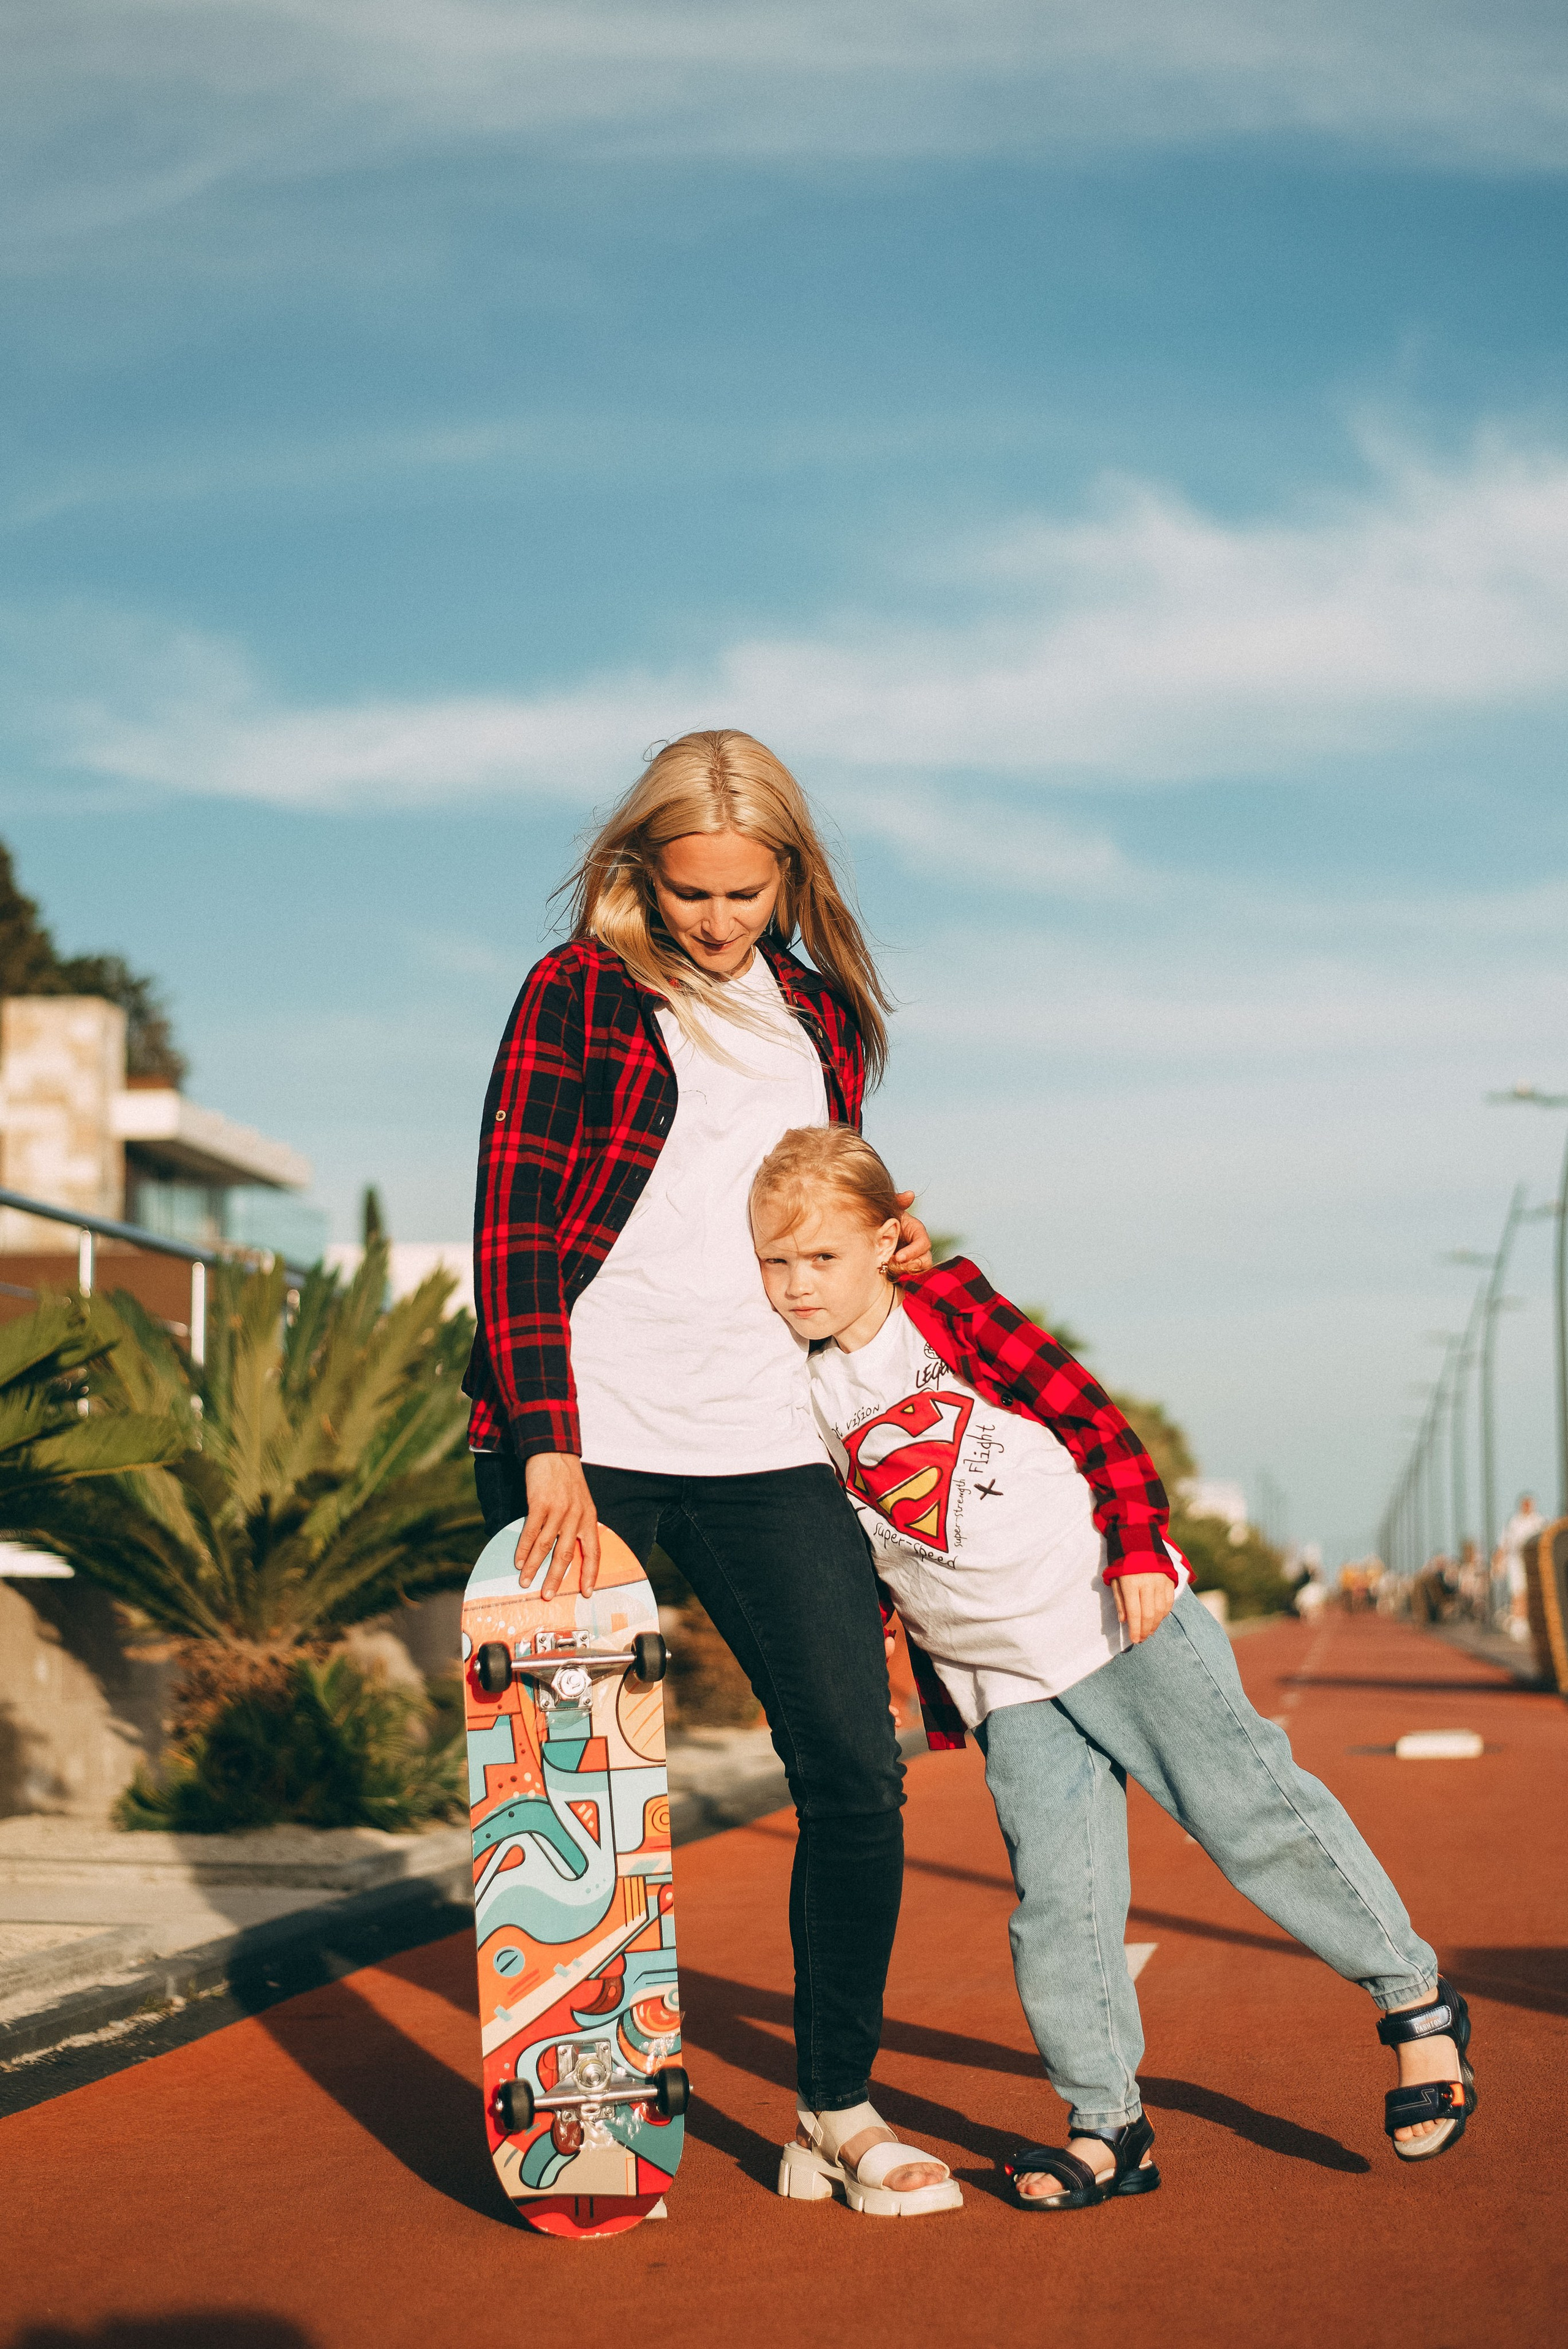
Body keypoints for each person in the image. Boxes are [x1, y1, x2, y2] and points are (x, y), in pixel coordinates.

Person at [750, 1125, 1478, 2209]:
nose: (800, 1284)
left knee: (1251, 1811)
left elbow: (1094, 1421)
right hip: (1004, 1681)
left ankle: (1416, 2004)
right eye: (777, 1261)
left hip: (1112, 1616)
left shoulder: (947, 1309)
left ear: (884, 1239)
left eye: (823, 1257)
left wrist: (1137, 1543)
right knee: (1061, 1902)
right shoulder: (794, 1390)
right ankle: (1107, 2126)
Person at [464, 730, 960, 2218]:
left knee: (857, 1776)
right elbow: (516, 1214)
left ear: (789, 876)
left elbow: (813, 1201)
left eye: (748, 891)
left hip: (762, 1439)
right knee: (584, 1803)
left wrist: (881, 1247)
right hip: (591, 1441)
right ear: (641, 868)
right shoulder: (579, 993)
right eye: (690, 890)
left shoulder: (817, 1014)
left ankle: (833, 2109)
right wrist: (546, 1439)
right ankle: (583, 2106)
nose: (719, 920)